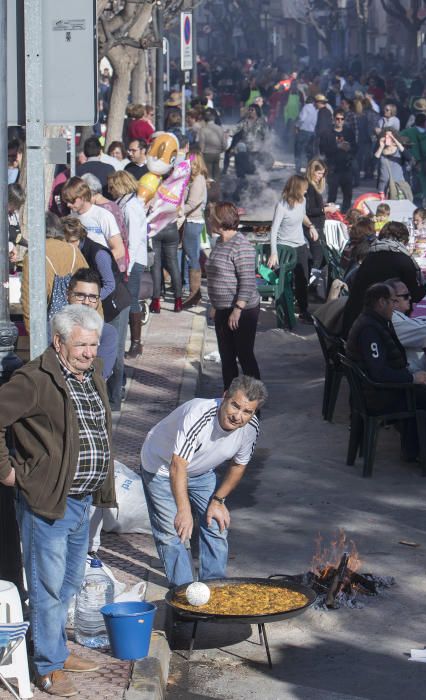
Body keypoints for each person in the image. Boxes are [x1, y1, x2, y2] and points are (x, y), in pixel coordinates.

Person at [0, 305, 115, 697]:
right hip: (48, 501)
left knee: (70, 582)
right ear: (58, 341)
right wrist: (7, 471)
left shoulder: (90, 373)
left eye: (94, 344)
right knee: (48, 588)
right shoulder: (33, 379)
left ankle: (58, 651)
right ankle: (47, 667)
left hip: (82, 500)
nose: (89, 352)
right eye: (81, 344)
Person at [140, 375, 267, 587]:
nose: (238, 416)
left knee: (217, 523)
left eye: (247, 411)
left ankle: (214, 587)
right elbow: (177, 465)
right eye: (235, 406)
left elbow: (239, 465)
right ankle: (184, 592)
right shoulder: (199, 414)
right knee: (174, 531)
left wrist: (218, 501)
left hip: (201, 470)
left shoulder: (251, 427)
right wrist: (183, 510)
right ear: (224, 396)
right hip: (162, 467)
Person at [346, 282, 426, 463]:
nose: (395, 306)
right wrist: (411, 378)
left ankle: (413, 448)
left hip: (380, 390)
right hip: (379, 396)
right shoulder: (369, 329)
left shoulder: (376, 321)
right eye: (392, 301)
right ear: (380, 302)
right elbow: (378, 372)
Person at [62, 217, 131, 411]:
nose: (69, 246)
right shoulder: (78, 252)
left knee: (115, 351)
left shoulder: (98, 253)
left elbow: (109, 283)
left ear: (79, 238)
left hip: (116, 303)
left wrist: (90, 300)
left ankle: (114, 399)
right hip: (98, 304)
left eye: (72, 242)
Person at [342, 221, 426, 337]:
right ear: (403, 241)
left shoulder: (370, 255)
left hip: (354, 321)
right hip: (376, 328)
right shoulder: (403, 260)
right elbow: (414, 296)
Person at [206, 202, 261, 389]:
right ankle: (229, 399)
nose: (208, 220)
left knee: (244, 355)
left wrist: (237, 309)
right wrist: (214, 305)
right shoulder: (220, 242)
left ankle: (253, 402)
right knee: (227, 357)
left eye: (211, 217)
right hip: (222, 308)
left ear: (220, 221)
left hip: (242, 310)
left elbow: (247, 281)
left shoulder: (241, 245)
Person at [21, 213, 88, 333]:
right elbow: (90, 286)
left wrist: (33, 332)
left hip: (49, 328)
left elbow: (29, 300)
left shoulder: (34, 254)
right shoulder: (74, 251)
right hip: (76, 323)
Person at [107, 170, 149, 357]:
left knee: (131, 299)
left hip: (134, 261)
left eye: (112, 186)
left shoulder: (131, 206)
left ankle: (136, 343)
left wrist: (128, 268)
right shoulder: (123, 203)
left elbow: (134, 239)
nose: (109, 190)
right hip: (128, 260)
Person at [268, 175, 318, 324]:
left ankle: (303, 310)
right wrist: (274, 252)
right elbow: (274, 230)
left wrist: (311, 226)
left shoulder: (303, 201)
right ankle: (284, 309)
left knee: (303, 278)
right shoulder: (282, 206)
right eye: (304, 189)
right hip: (286, 247)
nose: (306, 192)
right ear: (297, 189)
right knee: (286, 281)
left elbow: (303, 216)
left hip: (300, 244)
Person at [61, 177, 126, 268]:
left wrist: (97, 265)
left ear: (83, 197)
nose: (68, 204)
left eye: (71, 200)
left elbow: (119, 250)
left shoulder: (103, 215)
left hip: (100, 274)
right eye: (66, 201)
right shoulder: (71, 218)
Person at [67, 268, 118, 379]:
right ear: (68, 295)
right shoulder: (52, 328)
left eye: (92, 297)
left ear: (98, 300)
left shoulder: (106, 333)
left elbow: (99, 373)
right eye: (80, 295)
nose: (86, 302)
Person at [178, 152, 208, 310]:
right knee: (192, 256)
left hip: (192, 220)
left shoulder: (198, 180)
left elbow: (194, 202)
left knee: (191, 257)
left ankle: (194, 293)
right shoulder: (195, 178)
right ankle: (194, 293)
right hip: (192, 220)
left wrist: (179, 211)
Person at [320, 108, 356, 212]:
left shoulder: (349, 132)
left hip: (346, 167)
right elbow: (322, 150)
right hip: (333, 168)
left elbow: (355, 148)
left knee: (348, 194)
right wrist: (337, 147)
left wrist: (350, 149)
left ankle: (345, 214)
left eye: (342, 119)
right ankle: (330, 215)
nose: (339, 121)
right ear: (333, 119)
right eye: (337, 119)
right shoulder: (327, 133)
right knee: (332, 195)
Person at [401, 113, 426, 207]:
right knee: (422, 191)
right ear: (425, 123)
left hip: (408, 166)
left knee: (409, 189)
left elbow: (399, 141)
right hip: (423, 167)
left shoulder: (406, 132)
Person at [375, 129, 413, 201]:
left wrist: (396, 141)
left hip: (398, 188)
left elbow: (409, 157)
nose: (388, 139)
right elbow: (374, 160)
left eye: (390, 138)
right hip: (383, 188)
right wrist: (381, 146)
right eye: (386, 137)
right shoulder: (380, 151)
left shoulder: (399, 151)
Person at [198, 109, 227, 186]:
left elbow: (201, 145)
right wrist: (221, 150)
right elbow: (224, 144)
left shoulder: (203, 130)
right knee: (216, 175)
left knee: (208, 175)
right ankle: (216, 193)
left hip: (206, 154)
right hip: (217, 154)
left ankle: (209, 193)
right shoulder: (219, 128)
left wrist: (200, 155)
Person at [295, 96, 317, 172]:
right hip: (312, 132)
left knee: (298, 151)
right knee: (309, 152)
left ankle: (298, 169)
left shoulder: (306, 107)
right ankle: (310, 169)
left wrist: (296, 125)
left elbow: (302, 118)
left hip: (304, 131)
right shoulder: (315, 109)